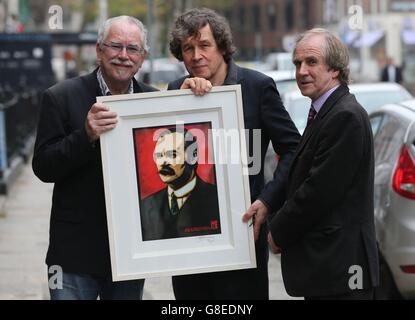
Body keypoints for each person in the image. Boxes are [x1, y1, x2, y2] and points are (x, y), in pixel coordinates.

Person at [32, 15, 208, 300]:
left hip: (131, 253)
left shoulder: (152, 101)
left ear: (143, 56)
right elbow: (43, 167)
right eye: (116, 46)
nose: (124, 56)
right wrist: (85, 135)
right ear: (99, 49)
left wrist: (191, 100)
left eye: (133, 49)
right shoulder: (60, 97)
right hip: (73, 255)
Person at [168, 8, 301, 299]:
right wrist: (183, 96)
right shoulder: (176, 89)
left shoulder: (258, 87)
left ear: (223, 47)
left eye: (204, 45)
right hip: (189, 238)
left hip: (242, 232)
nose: (196, 55)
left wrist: (267, 200)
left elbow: (294, 149)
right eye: (187, 48)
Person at [252, 28, 379, 300]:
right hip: (327, 271)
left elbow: (318, 192)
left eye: (311, 62)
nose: (301, 71)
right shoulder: (325, 111)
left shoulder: (345, 116)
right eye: (297, 63)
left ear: (335, 69)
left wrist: (277, 233)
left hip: (341, 271)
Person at [140, 128, 221, 241]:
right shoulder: (145, 206)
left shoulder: (218, 199)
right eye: (159, 156)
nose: (163, 162)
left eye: (172, 155)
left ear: (193, 156)